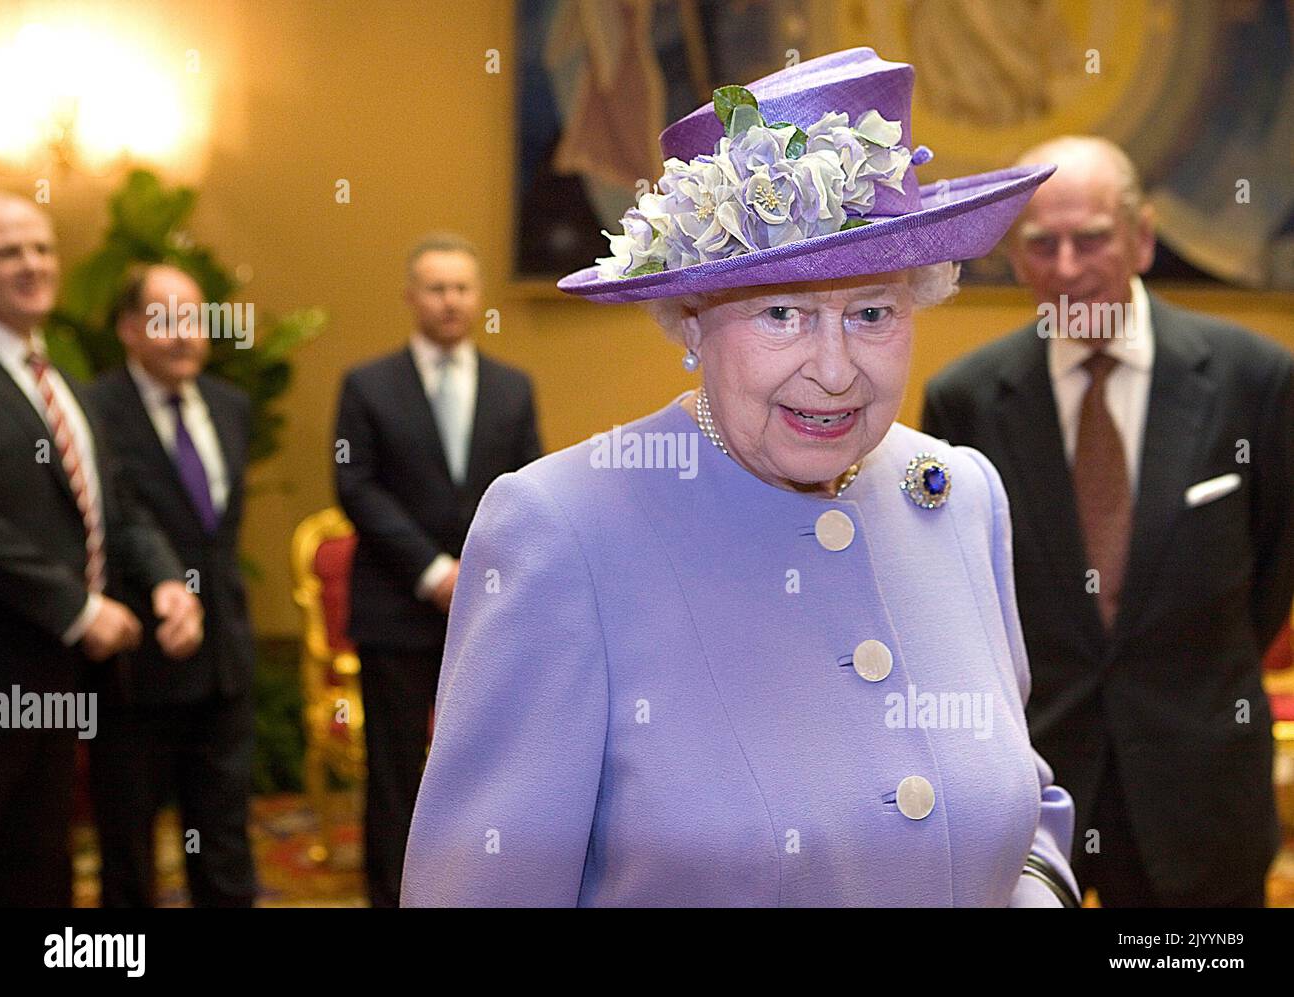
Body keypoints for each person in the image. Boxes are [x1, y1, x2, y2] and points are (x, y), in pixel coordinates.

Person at [401, 48, 1078, 906]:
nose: (835, 370)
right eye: (781, 312)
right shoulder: (561, 529)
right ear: (688, 318)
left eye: (873, 312)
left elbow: (1024, 800)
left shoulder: (961, 494)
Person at [922, 136, 1294, 906]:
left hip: (1202, 789)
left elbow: (1273, 569)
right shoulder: (964, 400)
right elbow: (958, 600)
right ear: (1014, 255)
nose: (1065, 267)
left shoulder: (1254, 380)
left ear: (1142, 237)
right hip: (1032, 787)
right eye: (1040, 244)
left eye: (1089, 238)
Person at [0, 193, 202, 907]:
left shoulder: (63, 385)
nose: (32, 264)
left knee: (43, 863)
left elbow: (116, 509)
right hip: (8, 666)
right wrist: (78, 608)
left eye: (43, 248)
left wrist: (168, 583)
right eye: (9, 251)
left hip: (63, 680)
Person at [334, 232, 542, 907]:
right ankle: (393, 895)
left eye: (461, 288)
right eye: (436, 287)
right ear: (411, 297)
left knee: (486, 766)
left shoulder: (514, 388)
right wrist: (431, 571)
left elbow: (529, 491)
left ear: (478, 298)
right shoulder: (366, 385)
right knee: (396, 774)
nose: (450, 301)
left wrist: (477, 574)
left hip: (488, 611)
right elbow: (355, 486)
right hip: (397, 608)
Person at [84, 264, 258, 907]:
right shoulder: (92, 409)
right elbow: (116, 517)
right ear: (130, 330)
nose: (185, 334)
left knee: (225, 843)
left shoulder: (230, 406)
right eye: (165, 319)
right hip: (136, 666)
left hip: (223, 663)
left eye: (195, 318)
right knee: (127, 850)